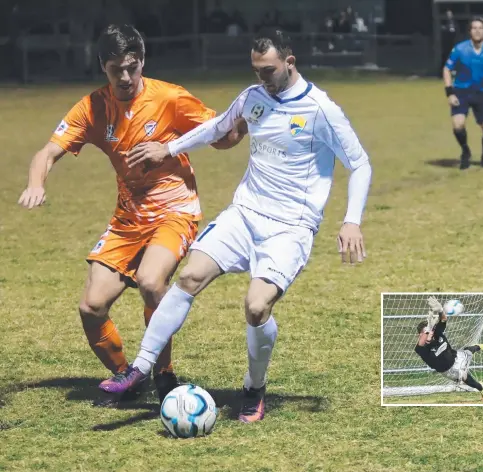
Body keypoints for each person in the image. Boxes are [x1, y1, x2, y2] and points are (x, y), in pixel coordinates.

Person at [99, 30, 373, 423]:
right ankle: (139, 366)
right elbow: (217, 128)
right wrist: (168, 148)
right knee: (189, 276)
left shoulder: (320, 109)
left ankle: (254, 387)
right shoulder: (252, 97)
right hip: (244, 214)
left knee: (256, 306)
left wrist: (352, 220)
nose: (262, 77)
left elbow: (360, 163)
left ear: (289, 63)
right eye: (256, 70)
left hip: (290, 227)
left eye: (269, 70)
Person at [17, 24, 243, 407]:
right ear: (102, 66)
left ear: (142, 62)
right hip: (128, 218)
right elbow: (47, 152)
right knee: (91, 306)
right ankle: (126, 375)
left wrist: (236, 127)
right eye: (115, 69)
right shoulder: (92, 108)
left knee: (152, 281)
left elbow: (222, 134)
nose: (124, 77)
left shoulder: (169, 97)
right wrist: (36, 182)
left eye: (131, 67)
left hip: (175, 208)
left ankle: (163, 373)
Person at [443, 17, 483, 170]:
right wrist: (450, 93)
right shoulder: (460, 49)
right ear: (470, 31)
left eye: (480, 28)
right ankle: (465, 151)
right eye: (474, 28)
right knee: (458, 125)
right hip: (461, 91)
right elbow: (446, 69)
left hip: (482, 93)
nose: (477, 31)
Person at [415, 297, 483, 403]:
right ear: (420, 335)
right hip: (449, 371)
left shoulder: (437, 332)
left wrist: (440, 311)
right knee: (467, 379)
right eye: (425, 332)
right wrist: (426, 333)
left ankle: (479, 346)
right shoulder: (422, 349)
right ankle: (482, 389)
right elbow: (421, 343)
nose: (428, 332)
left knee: (468, 351)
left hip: (456, 357)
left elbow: (443, 319)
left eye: (430, 329)